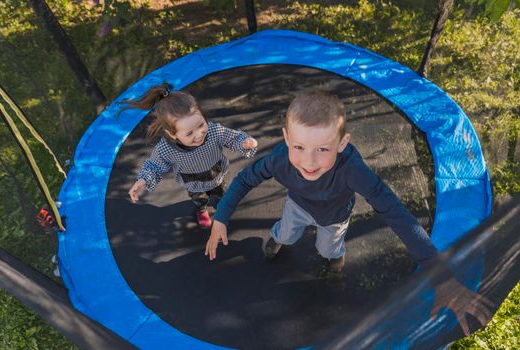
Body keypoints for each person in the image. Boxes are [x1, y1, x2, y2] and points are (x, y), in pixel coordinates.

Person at [205, 91, 492, 334]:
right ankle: (277, 241)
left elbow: (395, 213)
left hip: (334, 217)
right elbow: (245, 179)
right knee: (286, 232)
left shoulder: (351, 169)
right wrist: (221, 216)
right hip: (297, 206)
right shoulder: (280, 159)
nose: (309, 161)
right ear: (286, 138)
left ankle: (335, 258)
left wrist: (441, 277)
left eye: (323, 149)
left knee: (328, 247)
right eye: (299, 146)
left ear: (342, 144)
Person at [126, 83, 258, 228]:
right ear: (172, 134)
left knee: (220, 192)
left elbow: (232, 138)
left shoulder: (214, 131)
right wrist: (143, 180)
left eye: (201, 124)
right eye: (189, 133)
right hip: (193, 182)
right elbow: (154, 166)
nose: (199, 135)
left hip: (216, 173)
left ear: (202, 115)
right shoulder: (166, 149)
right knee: (199, 199)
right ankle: (201, 209)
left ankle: (221, 203)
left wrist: (244, 142)